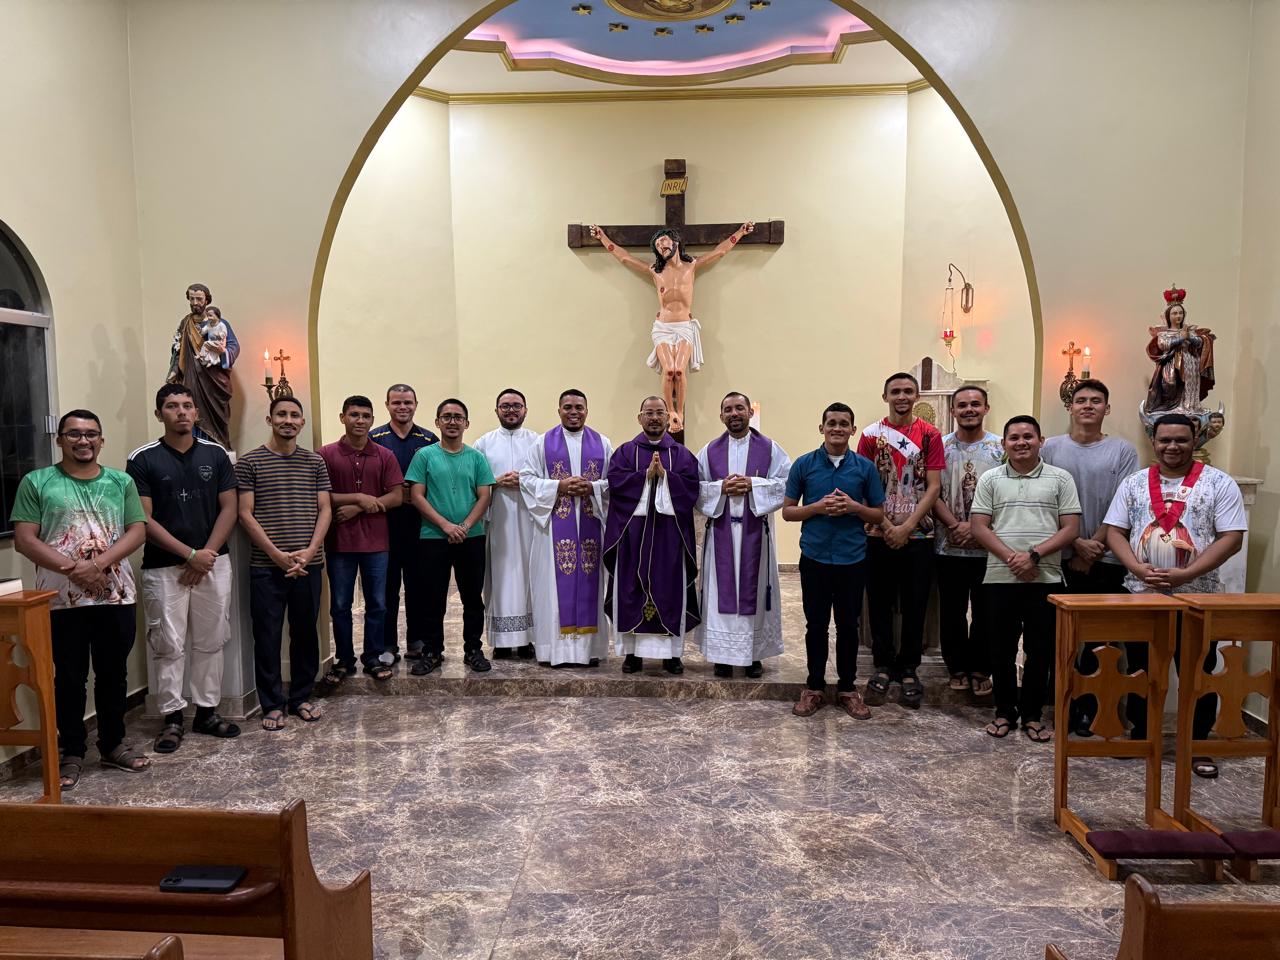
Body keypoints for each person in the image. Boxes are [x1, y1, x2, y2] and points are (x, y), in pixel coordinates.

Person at [11, 409, 149, 789]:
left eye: (91, 434)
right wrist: (76, 569)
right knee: (69, 678)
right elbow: (25, 539)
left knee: (113, 675)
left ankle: (113, 744)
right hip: (60, 600)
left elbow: (137, 531)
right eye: (73, 434)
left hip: (116, 596)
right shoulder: (37, 482)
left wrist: (98, 564)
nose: (83, 440)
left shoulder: (121, 482)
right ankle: (71, 751)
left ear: (101, 440)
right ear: (60, 439)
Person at [1104, 413, 1246, 780]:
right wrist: (1136, 568)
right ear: (1153, 441)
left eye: (1181, 440)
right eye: (1165, 439)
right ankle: (1142, 737)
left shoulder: (1219, 483)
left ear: (1195, 440)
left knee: (1198, 673)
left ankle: (1197, 744)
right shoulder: (1134, 483)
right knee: (1142, 671)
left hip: (1197, 597)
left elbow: (1232, 537)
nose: (1172, 446)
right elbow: (1115, 531)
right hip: (1142, 594)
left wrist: (1188, 573)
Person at [126, 384, 241, 755]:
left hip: (213, 563)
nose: (181, 412)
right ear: (159, 413)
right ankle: (172, 717)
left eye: (187, 405)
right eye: (172, 406)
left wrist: (205, 555)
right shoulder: (143, 458)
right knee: (168, 644)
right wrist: (188, 555)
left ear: (197, 412)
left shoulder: (215, 454)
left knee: (211, 639)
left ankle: (207, 712)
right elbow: (143, 518)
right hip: (164, 567)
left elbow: (230, 508)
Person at [970, 415, 1081, 744]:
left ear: (1040, 441)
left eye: (1028, 436)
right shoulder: (990, 479)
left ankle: (1032, 714)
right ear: (1004, 444)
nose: (1021, 442)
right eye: (1014, 437)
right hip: (1000, 578)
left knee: (1040, 650)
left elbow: (1071, 528)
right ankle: (1004, 711)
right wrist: (1012, 559)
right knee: (1001, 650)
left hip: (1045, 578)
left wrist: (1034, 555)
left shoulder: (1060, 478)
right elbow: (979, 526)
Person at [589, 222, 755, 434]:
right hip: (663, 327)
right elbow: (625, 258)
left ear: (675, 241)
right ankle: (670, 412)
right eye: (658, 245)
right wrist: (602, 238)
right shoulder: (655, 271)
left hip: (684, 326)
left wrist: (740, 232)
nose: (661, 246)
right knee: (669, 371)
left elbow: (719, 252)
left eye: (664, 241)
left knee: (679, 370)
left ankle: (680, 413)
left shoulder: (691, 266)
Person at [1042, 379, 1139, 736]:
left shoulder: (1122, 451)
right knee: (1059, 638)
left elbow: (1124, 502)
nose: (1087, 406)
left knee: (1102, 642)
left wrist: (1092, 546)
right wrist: (1074, 544)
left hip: (1106, 558)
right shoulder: (1050, 448)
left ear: (1106, 409)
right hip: (1058, 557)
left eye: (1096, 401)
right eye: (1081, 400)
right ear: (1070, 407)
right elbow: (1043, 497)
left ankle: (1092, 709)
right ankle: (1062, 705)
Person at [235, 396, 332, 731]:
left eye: (294, 415)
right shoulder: (250, 463)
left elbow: (325, 509)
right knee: (267, 636)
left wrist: (310, 550)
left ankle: (301, 697)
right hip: (266, 566)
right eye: (281, 414)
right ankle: (272, 704)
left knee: (306, 633)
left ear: (302, 422)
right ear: (270, 420)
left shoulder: (314, 462)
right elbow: (245, 514)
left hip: (309, 564)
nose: (288, 420)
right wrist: (276, 555)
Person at [783, 402, 885, 717]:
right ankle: (814, 687)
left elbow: (878, 514)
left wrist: (854, 507)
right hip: (814, 557)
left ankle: (847, 688)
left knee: (848, 626)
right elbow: (788, 511)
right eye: (831, 423)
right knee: (815, 625)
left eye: (843, 424)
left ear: (853, 430)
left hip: (851, 558)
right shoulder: (804, 465)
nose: (837, 428)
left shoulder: (865, 468)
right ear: (822, 428)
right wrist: (817, 507)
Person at [856, 372, 944, 709]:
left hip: (919, 533)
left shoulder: (930, 435)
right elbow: (863, 483)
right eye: (896, 391)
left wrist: (906, 526)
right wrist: (886, 524)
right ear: (885, 397)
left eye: (908, 391)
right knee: (879, 602)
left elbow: (933, 486)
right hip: (877, 532)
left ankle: (908, 666)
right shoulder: (870, 436)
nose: (902, 396)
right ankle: (882, 664)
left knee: (915, 602)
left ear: (916, 396)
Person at [695, 391, 791, 679]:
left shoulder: (770, 449)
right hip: (720, 534)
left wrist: (753, 485)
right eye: (728, 409)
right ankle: (721, 656)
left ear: (750, 412)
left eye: (739, 408)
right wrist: (720, 488)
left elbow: (787, 483)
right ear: (721, 415)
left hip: (756, 534)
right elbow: (695, 488)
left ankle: (752, 656)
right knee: (719, 593)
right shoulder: (708, 451)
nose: (734, 413)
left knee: (755, 591)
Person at [602, 396, 701, 674]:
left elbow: (692, 490)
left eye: (660, 413)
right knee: (630, 590)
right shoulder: (624, 452)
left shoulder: (682, 455)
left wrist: (666, 477)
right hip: (632, 537)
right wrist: (644, 477)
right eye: (649, 413)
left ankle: (672, 656)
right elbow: (615, 485)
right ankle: (633, 654)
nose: (655, 418)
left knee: (670, 590)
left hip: (670, 538)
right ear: (639, 418)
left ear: (669, 418)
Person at [520, 389, 613, 667]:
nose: (574, 412)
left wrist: (592, 487)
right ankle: (554, 652)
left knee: (590, 585)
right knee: (552, 589)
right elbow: (526, 479)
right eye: (568, 407)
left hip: (590, 526)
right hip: (553, 530)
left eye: (579, 407)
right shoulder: (541, 443)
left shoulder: (603, 443)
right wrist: (558, 486)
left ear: (587, 410)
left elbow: (615, 482)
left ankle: (589, 651)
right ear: (559, 410)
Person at [318, 395, 404, 687]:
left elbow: (397, 496)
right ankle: (344, 658)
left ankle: (372, 657)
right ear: (342, 417)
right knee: (340, 605)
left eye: (366, 416)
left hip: (377, 543)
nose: (360, 421)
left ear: (372, 420)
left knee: (377, 604)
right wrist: (358, 497)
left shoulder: (384, 455)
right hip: (339, 543)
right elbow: (320, 495)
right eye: (354, 415)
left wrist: (359, 507)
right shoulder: (326, 454)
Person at [405, 399, 495, 675]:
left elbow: (485, 496)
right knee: (432, 598)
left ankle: (473, 649)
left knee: (472, 598)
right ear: (437, 422)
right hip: (433, 537)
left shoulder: (477, 457)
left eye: (458, 417)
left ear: (466, 423)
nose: (452, 421)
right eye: (446, 416)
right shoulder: (424, 455)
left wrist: (464, 526)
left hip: (471, 537)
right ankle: (432, 651)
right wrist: (446, 525)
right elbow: (416, 495)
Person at [932, 386, 1003, 699]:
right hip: (948, 544)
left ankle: (981, 668)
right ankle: (957, 667)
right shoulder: (940, 446)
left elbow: (1007, 493)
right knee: (952, 611)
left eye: (975, 404)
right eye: (962, 405)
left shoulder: (1001, 448)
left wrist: (977, 529)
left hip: (990, 546)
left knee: (987, 612)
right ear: (953, 411)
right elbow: (931, 491)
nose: (969, 409)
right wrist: (954, 524)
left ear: (986, 408)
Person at [369, 384, 438, 664]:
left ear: (416, 405)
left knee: (418, 586)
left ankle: (416, 640)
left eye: (407, 402)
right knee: (386, 589)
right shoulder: (374, 438)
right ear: (387, 405)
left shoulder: (429, 439)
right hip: (383, 524)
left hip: (420, 525)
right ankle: (387, 643)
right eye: (396, 402)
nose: (402, 407)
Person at [473, 389, 539, 659]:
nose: (511, 410)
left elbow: (547, 480)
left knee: (529, 577)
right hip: (497, 520)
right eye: (505, 406)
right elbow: (473, 482)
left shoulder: (538, 442)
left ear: (525, 410)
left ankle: (527, 640)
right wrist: (496, 482)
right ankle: (500, 640)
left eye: (516, 405)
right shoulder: (483, 444)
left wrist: (525, 482)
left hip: (531, 520)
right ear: (497, 410)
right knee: (498, 577)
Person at [165, 283, 240, 448]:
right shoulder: (185, 323)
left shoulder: (220, 323)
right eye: (191, 299)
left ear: (207, 300)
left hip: (214, 380)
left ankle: (217, 447)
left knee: (216, 417)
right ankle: (191, 448)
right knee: (190, 411)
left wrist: (223, 352)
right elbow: (178, 350)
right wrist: (174, 370)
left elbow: (234, 346)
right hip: (191, 379)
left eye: (199, 299)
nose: (195, 303)